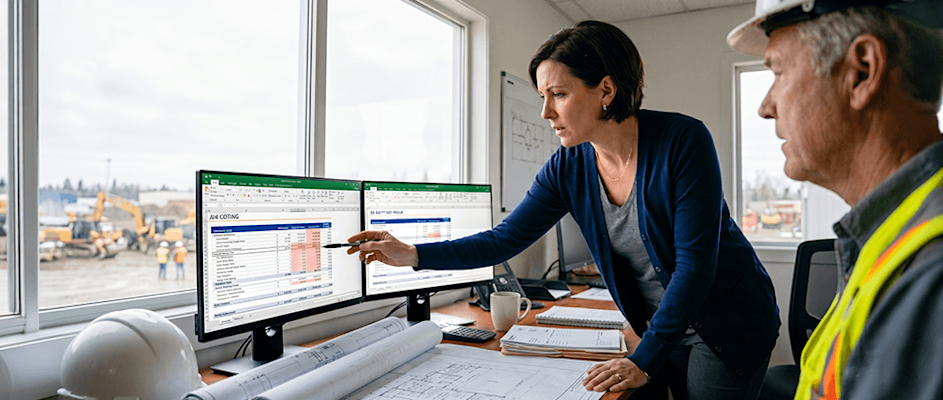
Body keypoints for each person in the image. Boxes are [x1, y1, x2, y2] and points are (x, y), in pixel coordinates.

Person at [349, 20, 779, 400]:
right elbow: (505, 239)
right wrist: (415, 256)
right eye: (542, 96)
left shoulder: (682, 142)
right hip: (657, 324)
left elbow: (693, 268)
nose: (545, 112)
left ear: (606, 90)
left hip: (724, 323)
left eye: (558, 94)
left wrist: (643, 359)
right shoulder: (568, 166)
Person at [727, 1, 943, 399]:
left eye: (777, 72)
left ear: (861, 71)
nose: (765, 107)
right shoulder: (889, 231)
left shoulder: (932, 276)